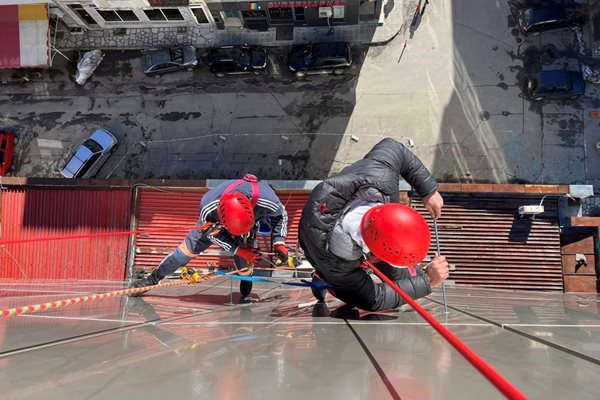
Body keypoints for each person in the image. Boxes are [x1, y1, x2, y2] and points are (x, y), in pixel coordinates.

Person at [298, 138, 449, 311]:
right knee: (345, 290)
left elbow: (393, 147)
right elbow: (373, 299)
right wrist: (428, 281)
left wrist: (428, 190)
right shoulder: (336, 263)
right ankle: (321, 279)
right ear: (374, 256)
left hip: (340, 211)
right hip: (320, 247)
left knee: (399, 275)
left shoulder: (379, 178)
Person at [130, 174, 289, 301]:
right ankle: (153, 278)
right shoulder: (208, 206)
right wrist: (237, 250)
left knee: (246, 264)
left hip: (247, 225)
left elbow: (281, 216)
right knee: (183, 253)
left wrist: (279, 241)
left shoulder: (268, 200)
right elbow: (213, 235)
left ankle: (245, 277)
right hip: (214, 223)